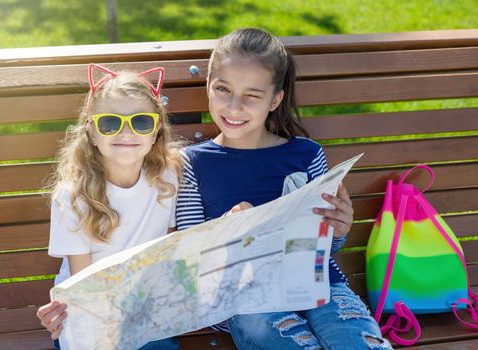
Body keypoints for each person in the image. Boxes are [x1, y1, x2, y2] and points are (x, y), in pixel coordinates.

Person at [175, 28, 392, 349]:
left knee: (355, 341)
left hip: (318, 284)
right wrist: (232, 232)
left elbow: (324, 249)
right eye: (223, 89)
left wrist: (338, 230)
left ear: (275, 99)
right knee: (272, 331)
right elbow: (192, 257)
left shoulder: (305, 154)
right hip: (246, 297)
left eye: (252, 95)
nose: (234, 106)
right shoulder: (192, 163)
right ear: (208, 86)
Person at [36, 64, 182, 350]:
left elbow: (168, 248)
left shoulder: (167, 178)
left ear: (155, 133)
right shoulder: (73, 196)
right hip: (89, 315)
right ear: (91, 132)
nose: (126, 132)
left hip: (145, 312)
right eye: (110, 123)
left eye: (141, 122)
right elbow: (82, 286)